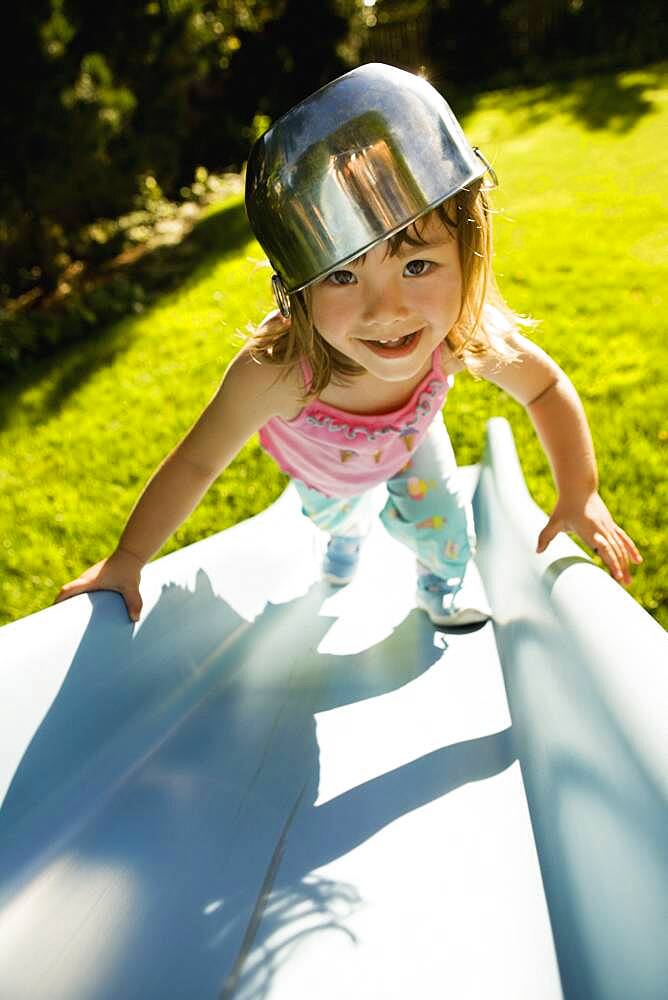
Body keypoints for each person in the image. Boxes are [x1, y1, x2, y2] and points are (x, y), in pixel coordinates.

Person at [55, 64, 642, 626]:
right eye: (341, 275)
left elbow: (544, 387)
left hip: (411, 446)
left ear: (469, 253)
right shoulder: (278, 372)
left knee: (444, 527)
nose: (385, 311)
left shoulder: (460, 337)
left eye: (416, 265)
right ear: (299, 291)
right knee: (342, 521)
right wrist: (128, 559)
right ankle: (347, 537)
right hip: (323, 475)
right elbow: (198, 461)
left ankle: (440, 585)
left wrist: (579, 491)